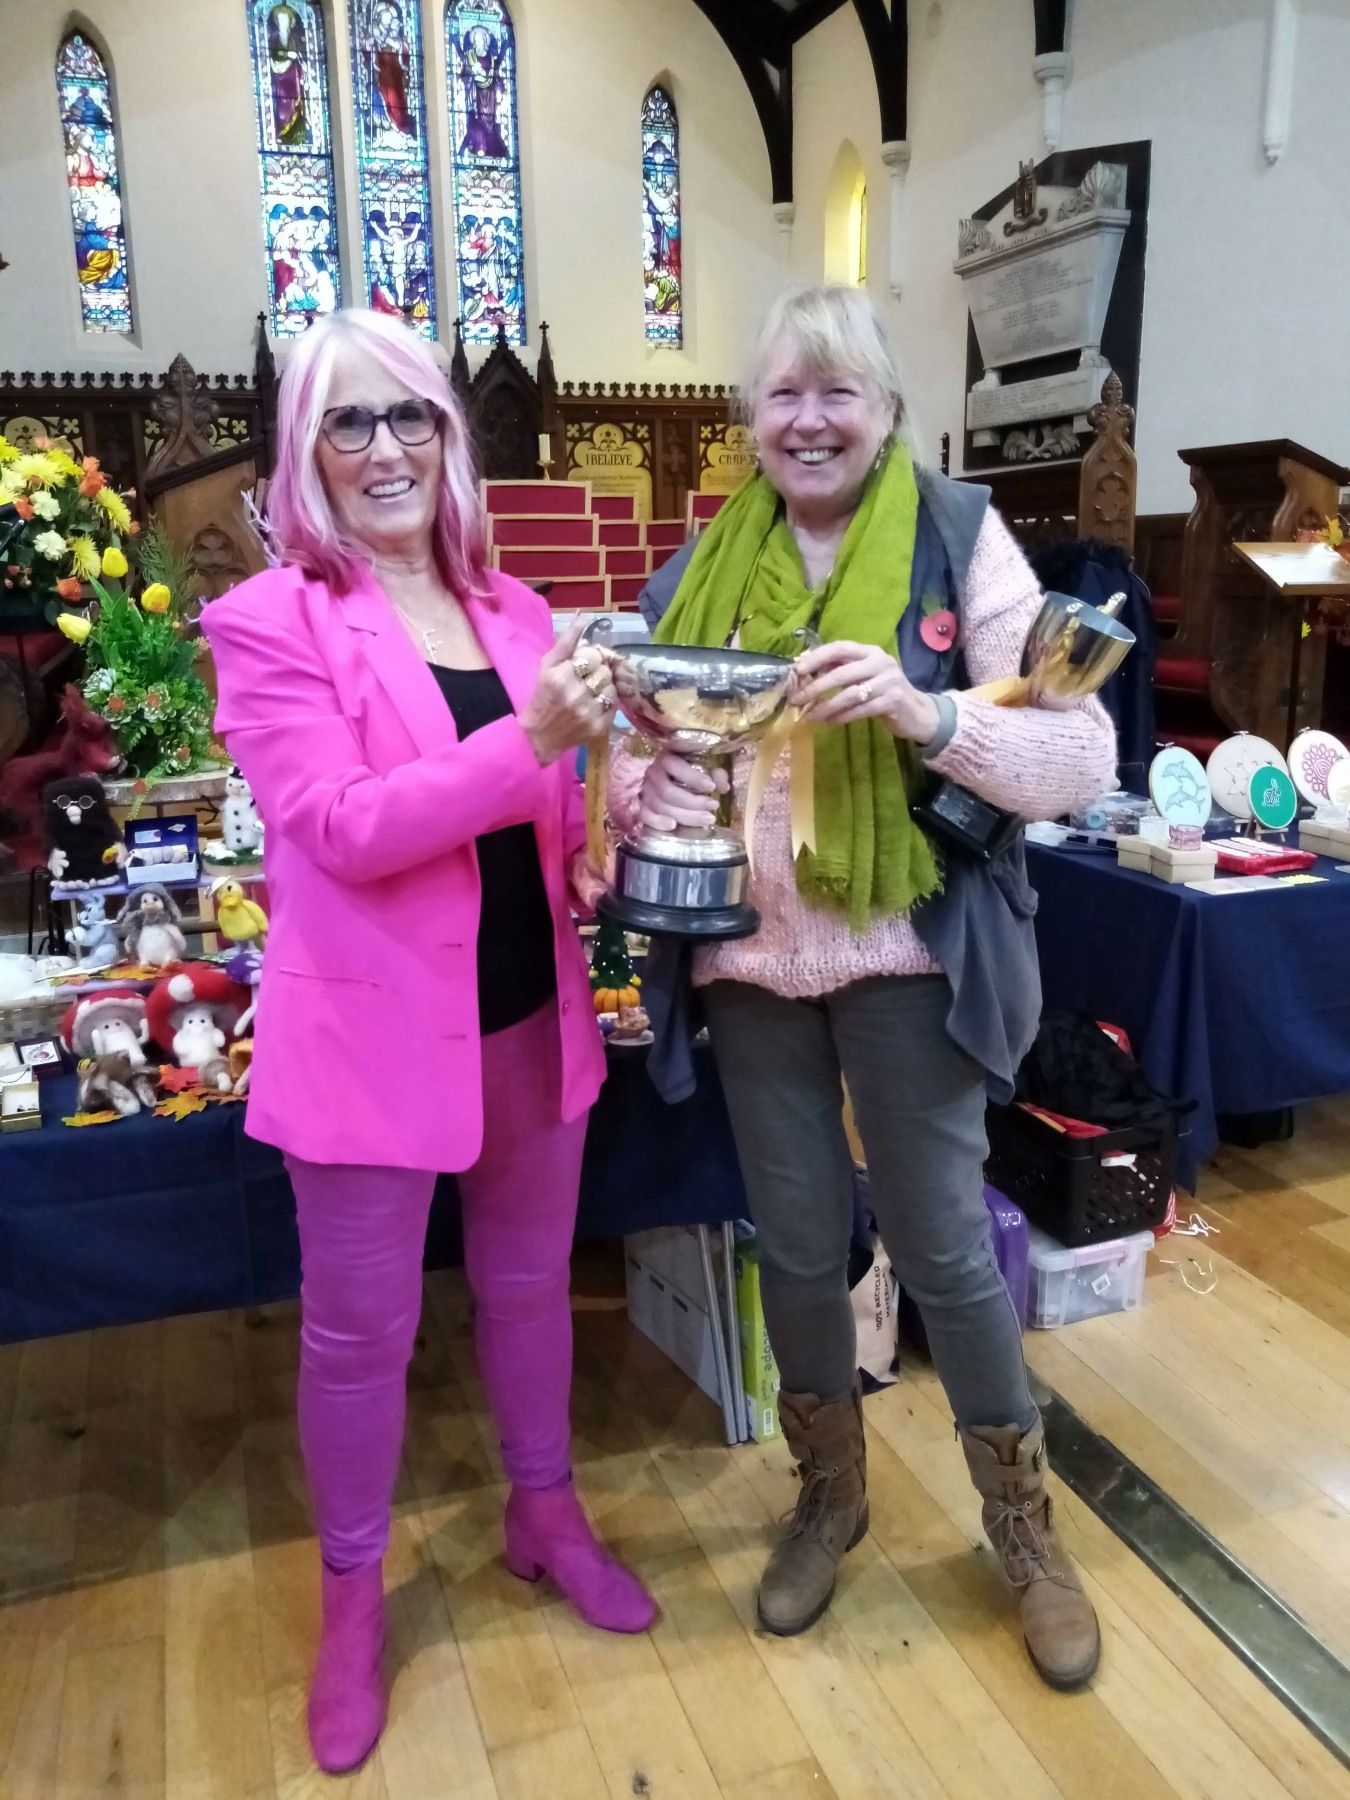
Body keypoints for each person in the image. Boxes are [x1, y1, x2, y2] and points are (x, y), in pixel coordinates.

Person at [613, 285, 1117, 1689]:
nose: (809, 418)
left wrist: (926, 710)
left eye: (838, 391)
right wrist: (639, 780)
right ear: (748, 420)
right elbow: (626, 776)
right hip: (751, 963)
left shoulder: (960, 542)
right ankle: (828, 1495)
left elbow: (1077, 762)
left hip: (907, 957)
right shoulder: (691, 575)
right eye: (783, 393)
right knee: (791, 1244)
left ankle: (1021, 1527)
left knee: (943, 1247)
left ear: (888, 410)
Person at [202, 307, 655, 1777]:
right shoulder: (269, 621)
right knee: (358, 1341)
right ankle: (349, 1607)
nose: (385, 448)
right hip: (368, 1046)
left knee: (528, 1296)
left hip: (528, 1019)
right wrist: (528, 741)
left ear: (451, 438)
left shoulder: (515, 608)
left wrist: (591, 839)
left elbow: (546, 805)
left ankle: (544, 1511)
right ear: (304, 448)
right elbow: (337, 828)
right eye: (350, 421)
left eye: (411, 417)